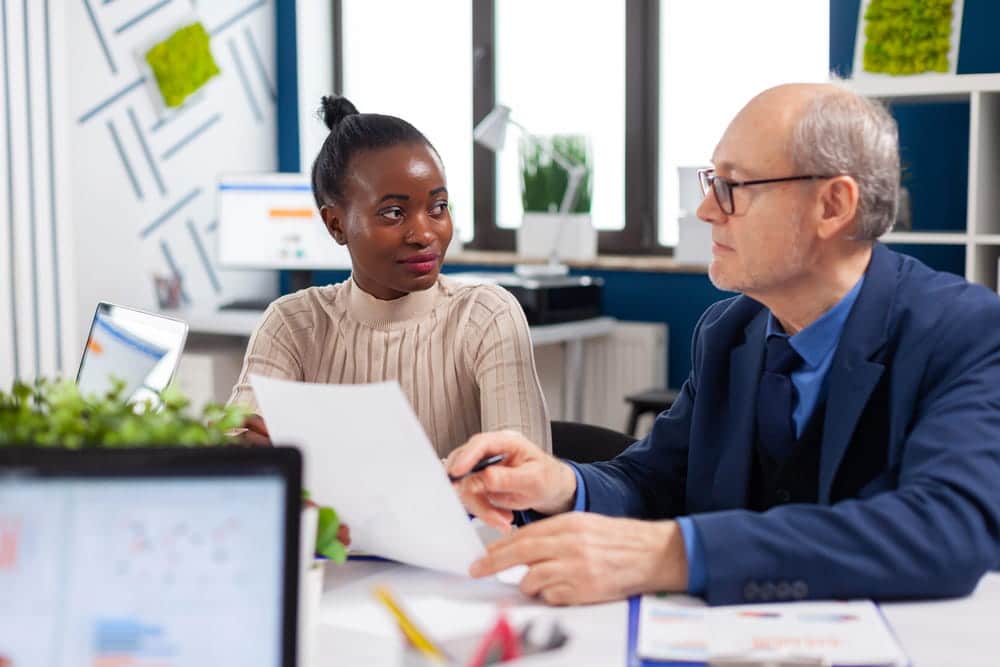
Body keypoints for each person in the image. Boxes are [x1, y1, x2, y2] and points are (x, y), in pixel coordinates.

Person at [447, 82, 1000, 607]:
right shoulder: (729, 331)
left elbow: (948, 528)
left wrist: (677, 555)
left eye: (733, 187)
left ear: (833, 205)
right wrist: (561, 484)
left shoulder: (964, 330)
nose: (707, 210)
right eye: (711, 182)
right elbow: (655, 480)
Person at [229, 96, 551, 458]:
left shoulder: (486, 315)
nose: (424, 234)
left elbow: (523, 473)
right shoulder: (291, 323)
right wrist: (235, 443)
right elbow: (241, 445)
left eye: (438, 207)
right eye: (394, 213)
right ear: (336, 224)